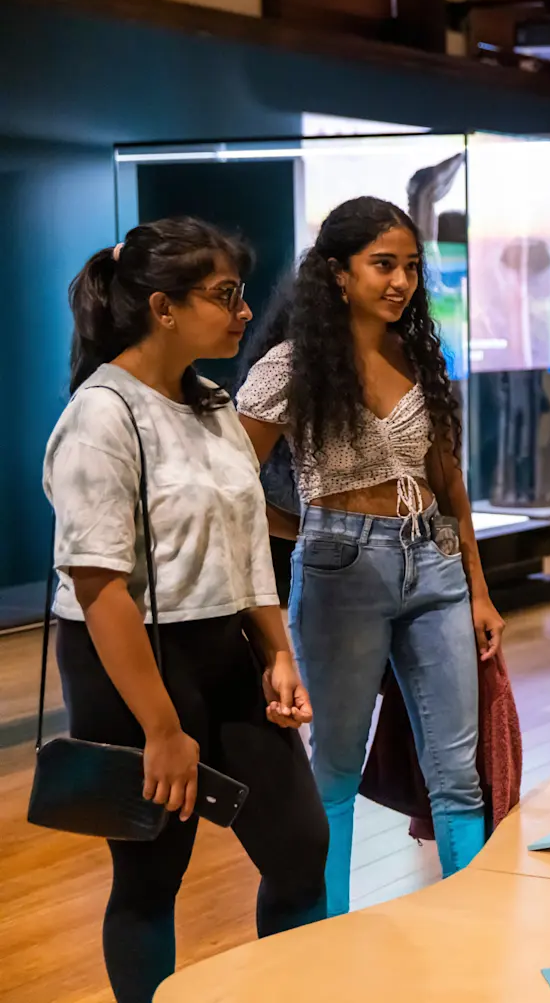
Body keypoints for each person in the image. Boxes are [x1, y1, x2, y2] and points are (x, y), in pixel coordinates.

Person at [43, 218, 326, 1003]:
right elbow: (100, 590)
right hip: (129, 662)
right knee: (150, 872)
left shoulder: (212, 403)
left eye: (239, 294)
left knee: (301, 847)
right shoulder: (102, 416)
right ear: (163, 308)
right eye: (225, 296)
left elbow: (246, 544)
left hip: (224, 648)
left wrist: (275, 649)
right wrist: (163, 729)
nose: (244, 313)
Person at [235, 196, 504, 917]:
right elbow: (229, 482)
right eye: (383, 264)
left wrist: (478, 587)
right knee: (334, 768)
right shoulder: (290, 366)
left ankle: (471, 931)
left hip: (437, 566)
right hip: (339, 569)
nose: (401, 282)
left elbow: (448, 480)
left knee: (456, 773)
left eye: (411, 267)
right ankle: (328, 940)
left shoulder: (416, 354)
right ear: (337, 272)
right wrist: (302, 524)